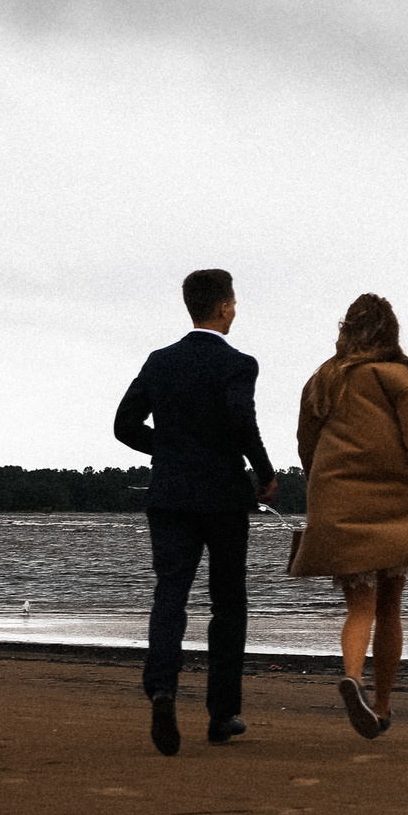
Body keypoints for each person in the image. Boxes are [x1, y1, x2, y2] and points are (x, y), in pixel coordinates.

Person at [287, 294, 408, 738]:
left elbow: (306, 445)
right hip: (396, 508)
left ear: (346, 330)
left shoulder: (323, 379)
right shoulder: (399, 376)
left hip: (343, 505)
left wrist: (325, 493)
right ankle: (383, 705)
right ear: (392, 332)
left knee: (359, 609)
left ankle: (352, 676)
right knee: (390, 608)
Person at [114, 267, 279, 756]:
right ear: (225, 306)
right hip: (224, 495)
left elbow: (124, 425)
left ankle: (163, 689)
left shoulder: (159, 361)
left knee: (171, 594)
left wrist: (167, 450)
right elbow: (240, 418)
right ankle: (222, 715)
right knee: (227, 603)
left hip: (169, 493)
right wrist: (265, 474)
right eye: (234, 303)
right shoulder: (239, 363)